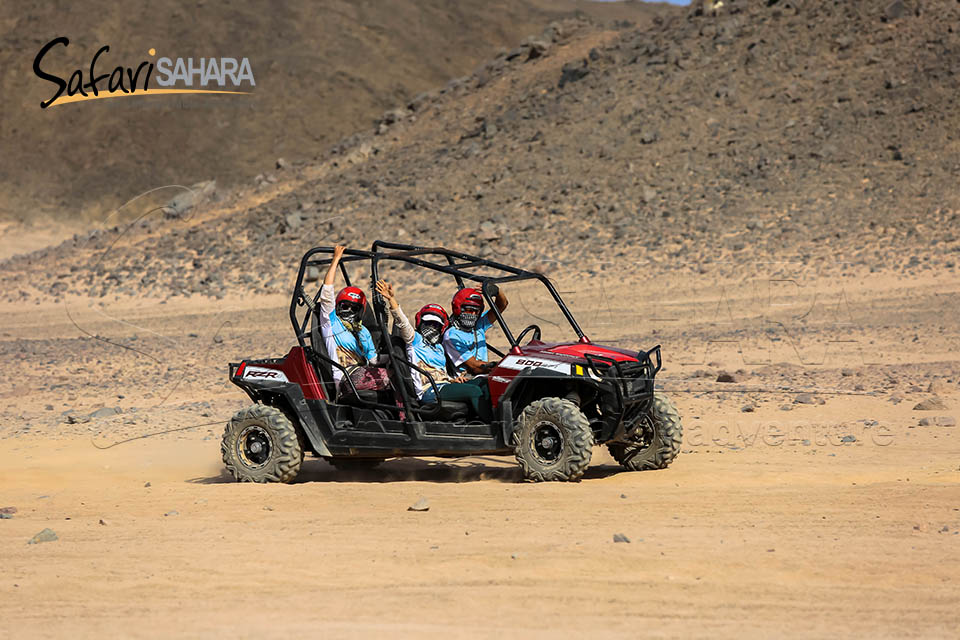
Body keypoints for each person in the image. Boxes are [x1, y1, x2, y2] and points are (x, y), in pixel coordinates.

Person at [375, 280, 492, 421]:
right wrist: (391, 300)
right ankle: (494, 426)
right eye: (428, 323)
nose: (432, 327)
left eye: (436, 325)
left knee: (485, 384)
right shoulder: (415, 341)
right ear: (420, 323)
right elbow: (403, 322)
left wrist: (453, 380)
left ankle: (490, 418)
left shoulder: (439, 348)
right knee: (474, 391)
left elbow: (441, 372)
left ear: (441, 328)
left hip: (445, 385)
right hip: (429, 390)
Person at [318, 245, 390, 395]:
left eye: (354, 308)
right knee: (395, 379)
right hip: (346, 378)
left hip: (365, 372)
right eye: (345, 306)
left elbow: (374, 360)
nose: (349, 311)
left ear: (360, 312)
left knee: (401, 374)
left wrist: (395, 357)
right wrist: (336, 259)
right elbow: (326, 293)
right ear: (338, 307)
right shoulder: (331, 323)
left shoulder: (362, 331)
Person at [443, 284, 508, 375]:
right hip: (467, 379)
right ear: (458, 308)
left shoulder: (478, 324)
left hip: (484, 374)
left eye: (476, 311)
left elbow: (501, 305)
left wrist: (497, 291)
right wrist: (503, 366)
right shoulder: (452, 336)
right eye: (469, 310)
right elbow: (475, 366)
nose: (473, 314)